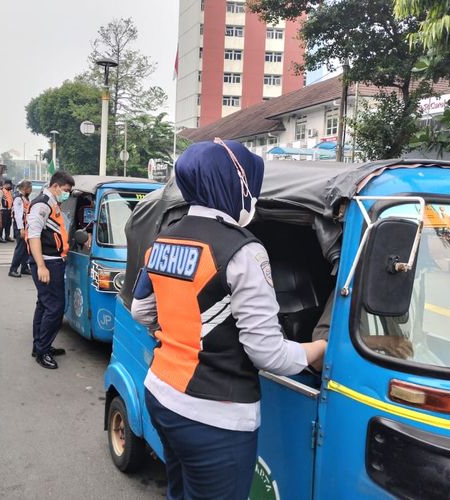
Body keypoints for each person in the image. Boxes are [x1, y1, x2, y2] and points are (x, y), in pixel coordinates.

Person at [131, 139, 327, 500]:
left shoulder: (164, 240)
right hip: (215, 418)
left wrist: (177, 332)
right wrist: (319, 347)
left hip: (161, 393)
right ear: (233, 184)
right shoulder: (243, 250)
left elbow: (141, 311)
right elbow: (268, 356)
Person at [27, 171, 75, 369]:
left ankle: (39, 346)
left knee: (44, 305)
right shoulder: (42, 204)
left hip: (53, 261)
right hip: (48, 263)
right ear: (56, 186)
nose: (67, 194)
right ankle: (43, 351)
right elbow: (34, 236)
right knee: (55, 308)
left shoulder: (52, 202)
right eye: (65, 190)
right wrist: (41, 266)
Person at [9, 180, 32, 278]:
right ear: (25, 188)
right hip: (20, 227)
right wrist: (21, 229)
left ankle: (24, 267)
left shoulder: (24, 198)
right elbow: (18, 215)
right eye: (30, 188)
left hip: (25, 226)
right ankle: (13, 269)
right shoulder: (18, 199)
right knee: (20, 248)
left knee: (25, 248)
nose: (31, 190)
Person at [0, 179, 15, 243]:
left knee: (8, 224)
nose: (10, 186)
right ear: (6, 184)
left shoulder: (10, 192)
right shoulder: (1, 191)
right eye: (9, 184)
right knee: (2, 224)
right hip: (3, 210)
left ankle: (7, 236)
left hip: (9, 210)